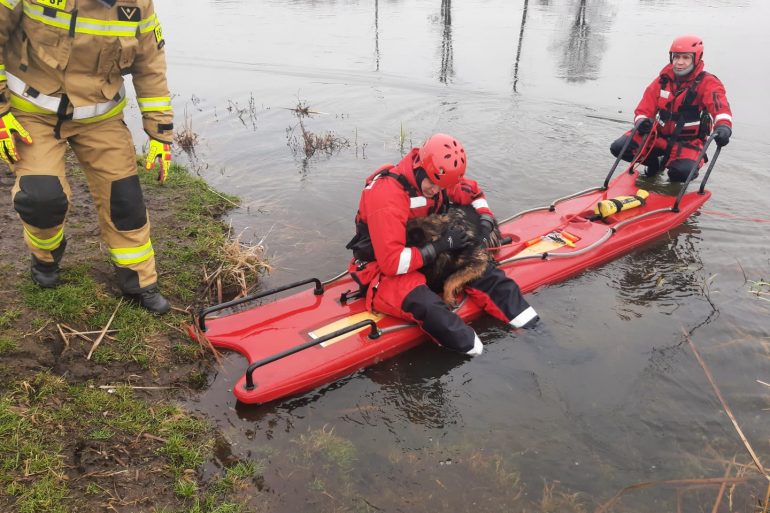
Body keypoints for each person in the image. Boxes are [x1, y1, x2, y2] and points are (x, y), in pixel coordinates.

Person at [0, 0, 174, 314]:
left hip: (101, 118)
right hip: (31, 114)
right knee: (41, 198)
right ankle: (45, 257)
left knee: (125, 201)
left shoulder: (138, 5)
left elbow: (150, 64)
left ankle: (139, 281)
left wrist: (160, 133)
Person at [346, 133, 538, 357]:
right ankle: (479, 357)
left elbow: (474, 193)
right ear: (420, 166)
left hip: (427, 255)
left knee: (490, 276)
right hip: (382, 270)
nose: (435, 191)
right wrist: (439, 247)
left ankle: (536, 332)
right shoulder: (387, 194)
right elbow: (392, 263)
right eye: (432, 183)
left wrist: (486, 218)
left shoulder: (440, 179)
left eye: (441, 187)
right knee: (430, 308)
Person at [610, 35, 733, 182]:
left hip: (687, 143)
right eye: (676, 57)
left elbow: (720, 107)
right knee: (619, 148)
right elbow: (643, 109)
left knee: (682, 173)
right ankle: (654, 165)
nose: (679, 62)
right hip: (657, 137)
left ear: (696, 58)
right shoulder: (662, 80)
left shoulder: (708, 83)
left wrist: (724, 126)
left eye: (686, 57)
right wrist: (642, 122)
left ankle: (674, 180)